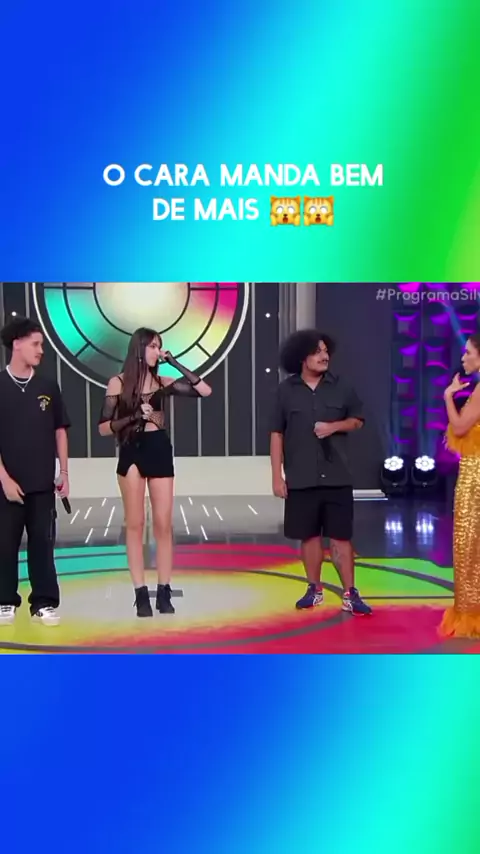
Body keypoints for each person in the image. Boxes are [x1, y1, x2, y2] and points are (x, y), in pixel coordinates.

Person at [99, 327, 212, 617]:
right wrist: (134, 417)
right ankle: (140, 594)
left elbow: (204, 390)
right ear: (138, 349)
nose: (156, 351)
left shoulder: (164, 382)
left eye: (159, 346)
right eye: (152, 346)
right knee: (135, 523)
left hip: (159, 448)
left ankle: (164, 590)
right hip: (131, 450)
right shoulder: (118, 383)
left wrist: (174, 362)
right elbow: (103, 428)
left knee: (163, 524)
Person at [270, 329, 372, 615]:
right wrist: (277, 476)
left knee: (341, 537)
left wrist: (333, 427)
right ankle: (314, 589)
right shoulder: (285, 391)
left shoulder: (342, 386)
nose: (324, 356)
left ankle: (350, 593)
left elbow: (357, 420)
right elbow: (276, 433)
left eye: (326, 351)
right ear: (302, 357)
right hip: (301, 476)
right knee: (309, 536)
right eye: (317, 351)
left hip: (337, 475)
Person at [0, 316, 70, 627]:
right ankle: (5, 600)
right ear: (17, 344)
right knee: (4, 544)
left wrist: (64, 472)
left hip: (42, 484)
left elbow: (60, 431)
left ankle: (43, 602)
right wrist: (4, 479)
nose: (41, 350)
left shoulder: (48, 387)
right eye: (36, 344)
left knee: (42, 544)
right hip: (6, 486)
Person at [440, 332, 480, 638]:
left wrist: (448, 397)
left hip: (476, 475)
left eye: (468, 352)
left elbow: (460, 426)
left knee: (470, 544)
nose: (463, 358)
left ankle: (471, 612)